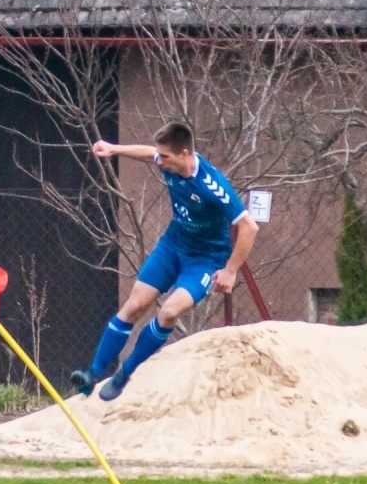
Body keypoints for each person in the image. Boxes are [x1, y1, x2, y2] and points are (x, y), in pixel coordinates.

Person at [71, 123, 258, 402]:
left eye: (165, 157)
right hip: (172, 246)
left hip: (206, 259)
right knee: (135, 305)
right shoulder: (167, 160)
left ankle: (126, 373)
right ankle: (92, 375)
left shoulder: (212, 185)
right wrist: (113, 148)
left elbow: (249, 227)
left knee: (170, 312)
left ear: (184, 154)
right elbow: (150, 153)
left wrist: (230, 271)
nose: (159, 161)